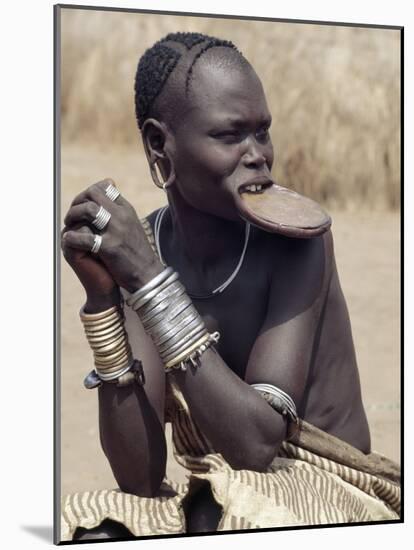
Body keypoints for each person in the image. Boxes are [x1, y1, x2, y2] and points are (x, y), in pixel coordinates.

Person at [60, 32, 400, 541]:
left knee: (215, 517)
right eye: (230, 135)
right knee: (93, 527)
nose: (258, 154)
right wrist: (106, 297)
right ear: (160, 144)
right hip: (218, 490)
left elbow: (257, 447)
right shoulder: (144, 250)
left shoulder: (297, 243)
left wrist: (151, 283)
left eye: (263, 132)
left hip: (336, 488)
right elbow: (139, 478)